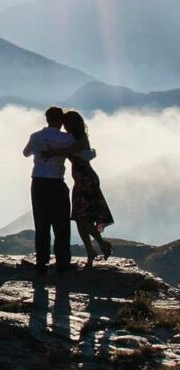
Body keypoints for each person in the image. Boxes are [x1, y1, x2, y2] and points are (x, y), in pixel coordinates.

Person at [22, 106, 93, 275]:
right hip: (56, 183)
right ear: (61, 121)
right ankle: (62, 263)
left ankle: (41, 263)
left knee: (41, 223)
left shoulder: (36, 136)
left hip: (37, 182)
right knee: (61, 224)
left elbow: (25, 153)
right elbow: (86, 153)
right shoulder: (66, 139)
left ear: (47, 119)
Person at [45, 110, 114, 268]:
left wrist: (51, 151)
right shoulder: (73, 139)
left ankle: (102, 244)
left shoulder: (81, 140)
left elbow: (68, 151)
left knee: (82, 218)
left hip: (86, 180)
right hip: (81, 180)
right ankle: (91, 250)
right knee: (79, 218)